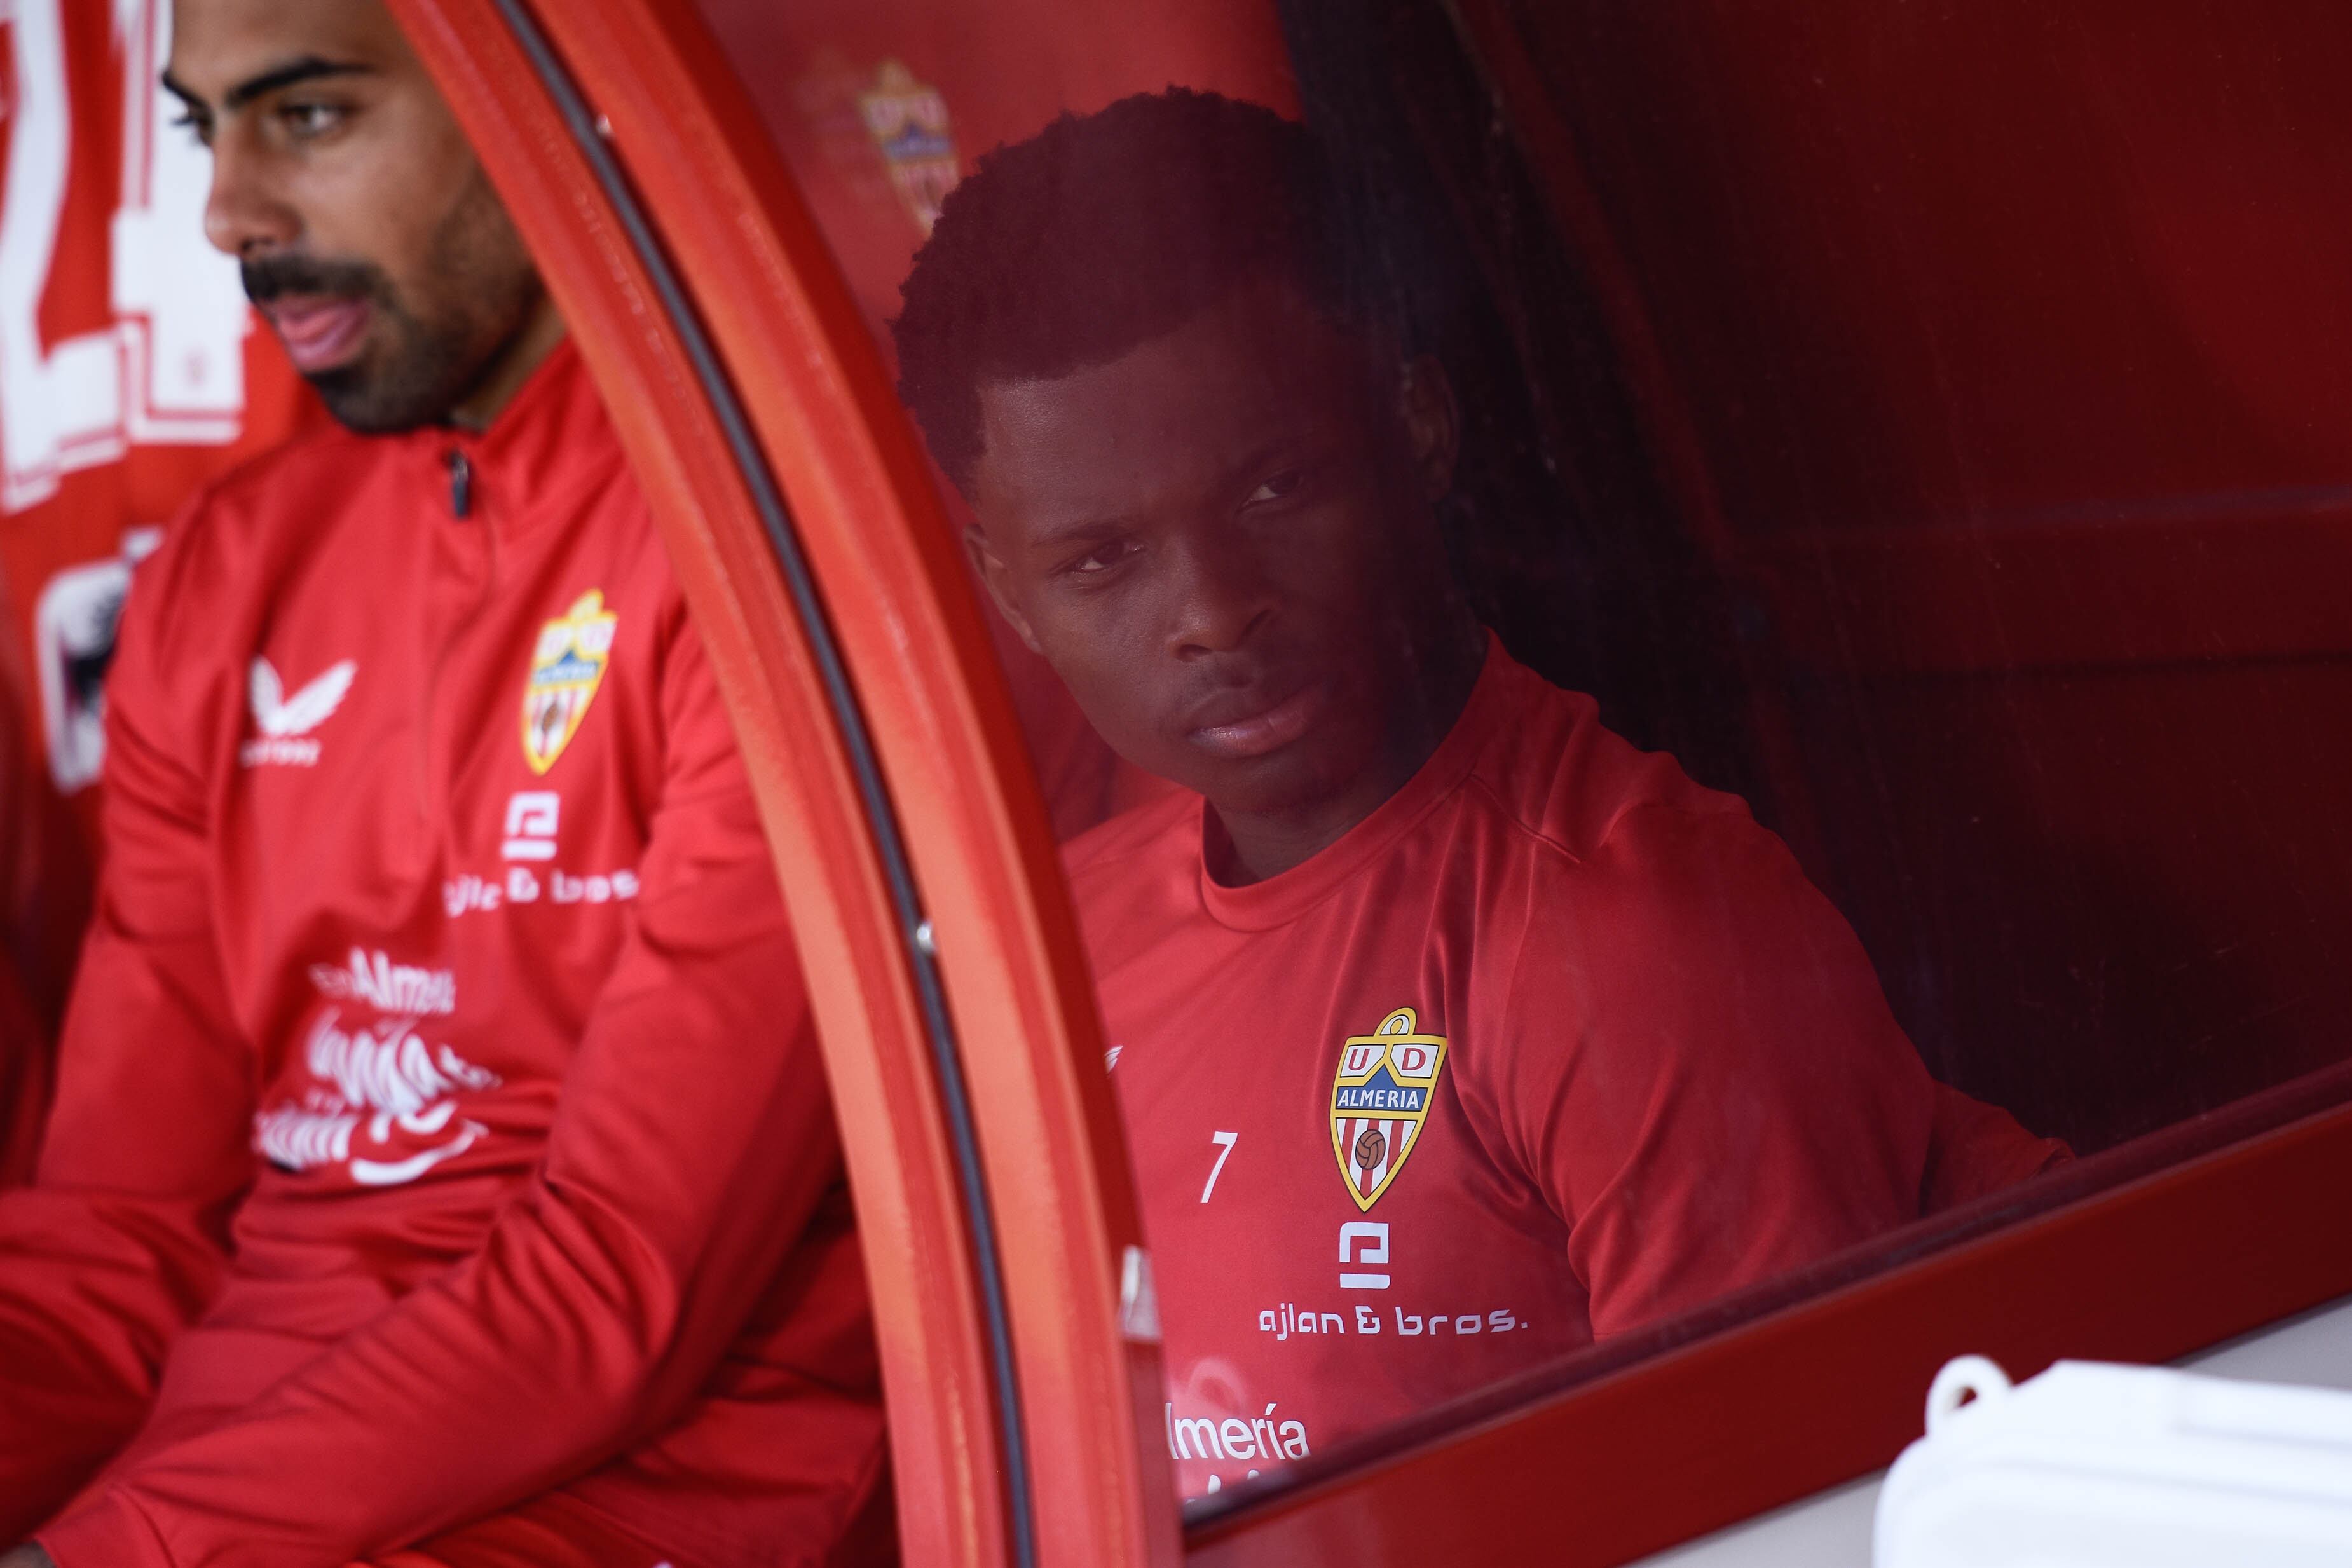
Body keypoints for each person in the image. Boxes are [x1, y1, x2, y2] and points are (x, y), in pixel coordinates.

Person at [891, 88, 2068, 1499]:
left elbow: (1778, 1515)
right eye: (1101, 561)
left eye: (1277, 488)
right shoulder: (1042, 958)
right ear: (1005, 594)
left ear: (1419, 429)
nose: (1212, 611)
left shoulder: (1623, 941)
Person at [0, 2, 887, 1564]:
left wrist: (116, 1551)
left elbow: (624, 1284)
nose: (231, 213)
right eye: (212, 128)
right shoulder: (229, 571)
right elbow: (108, 1250)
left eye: (311, 116)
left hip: (646, 1483)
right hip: (232, 1485)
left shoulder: (770, 545)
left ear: (550, 105)